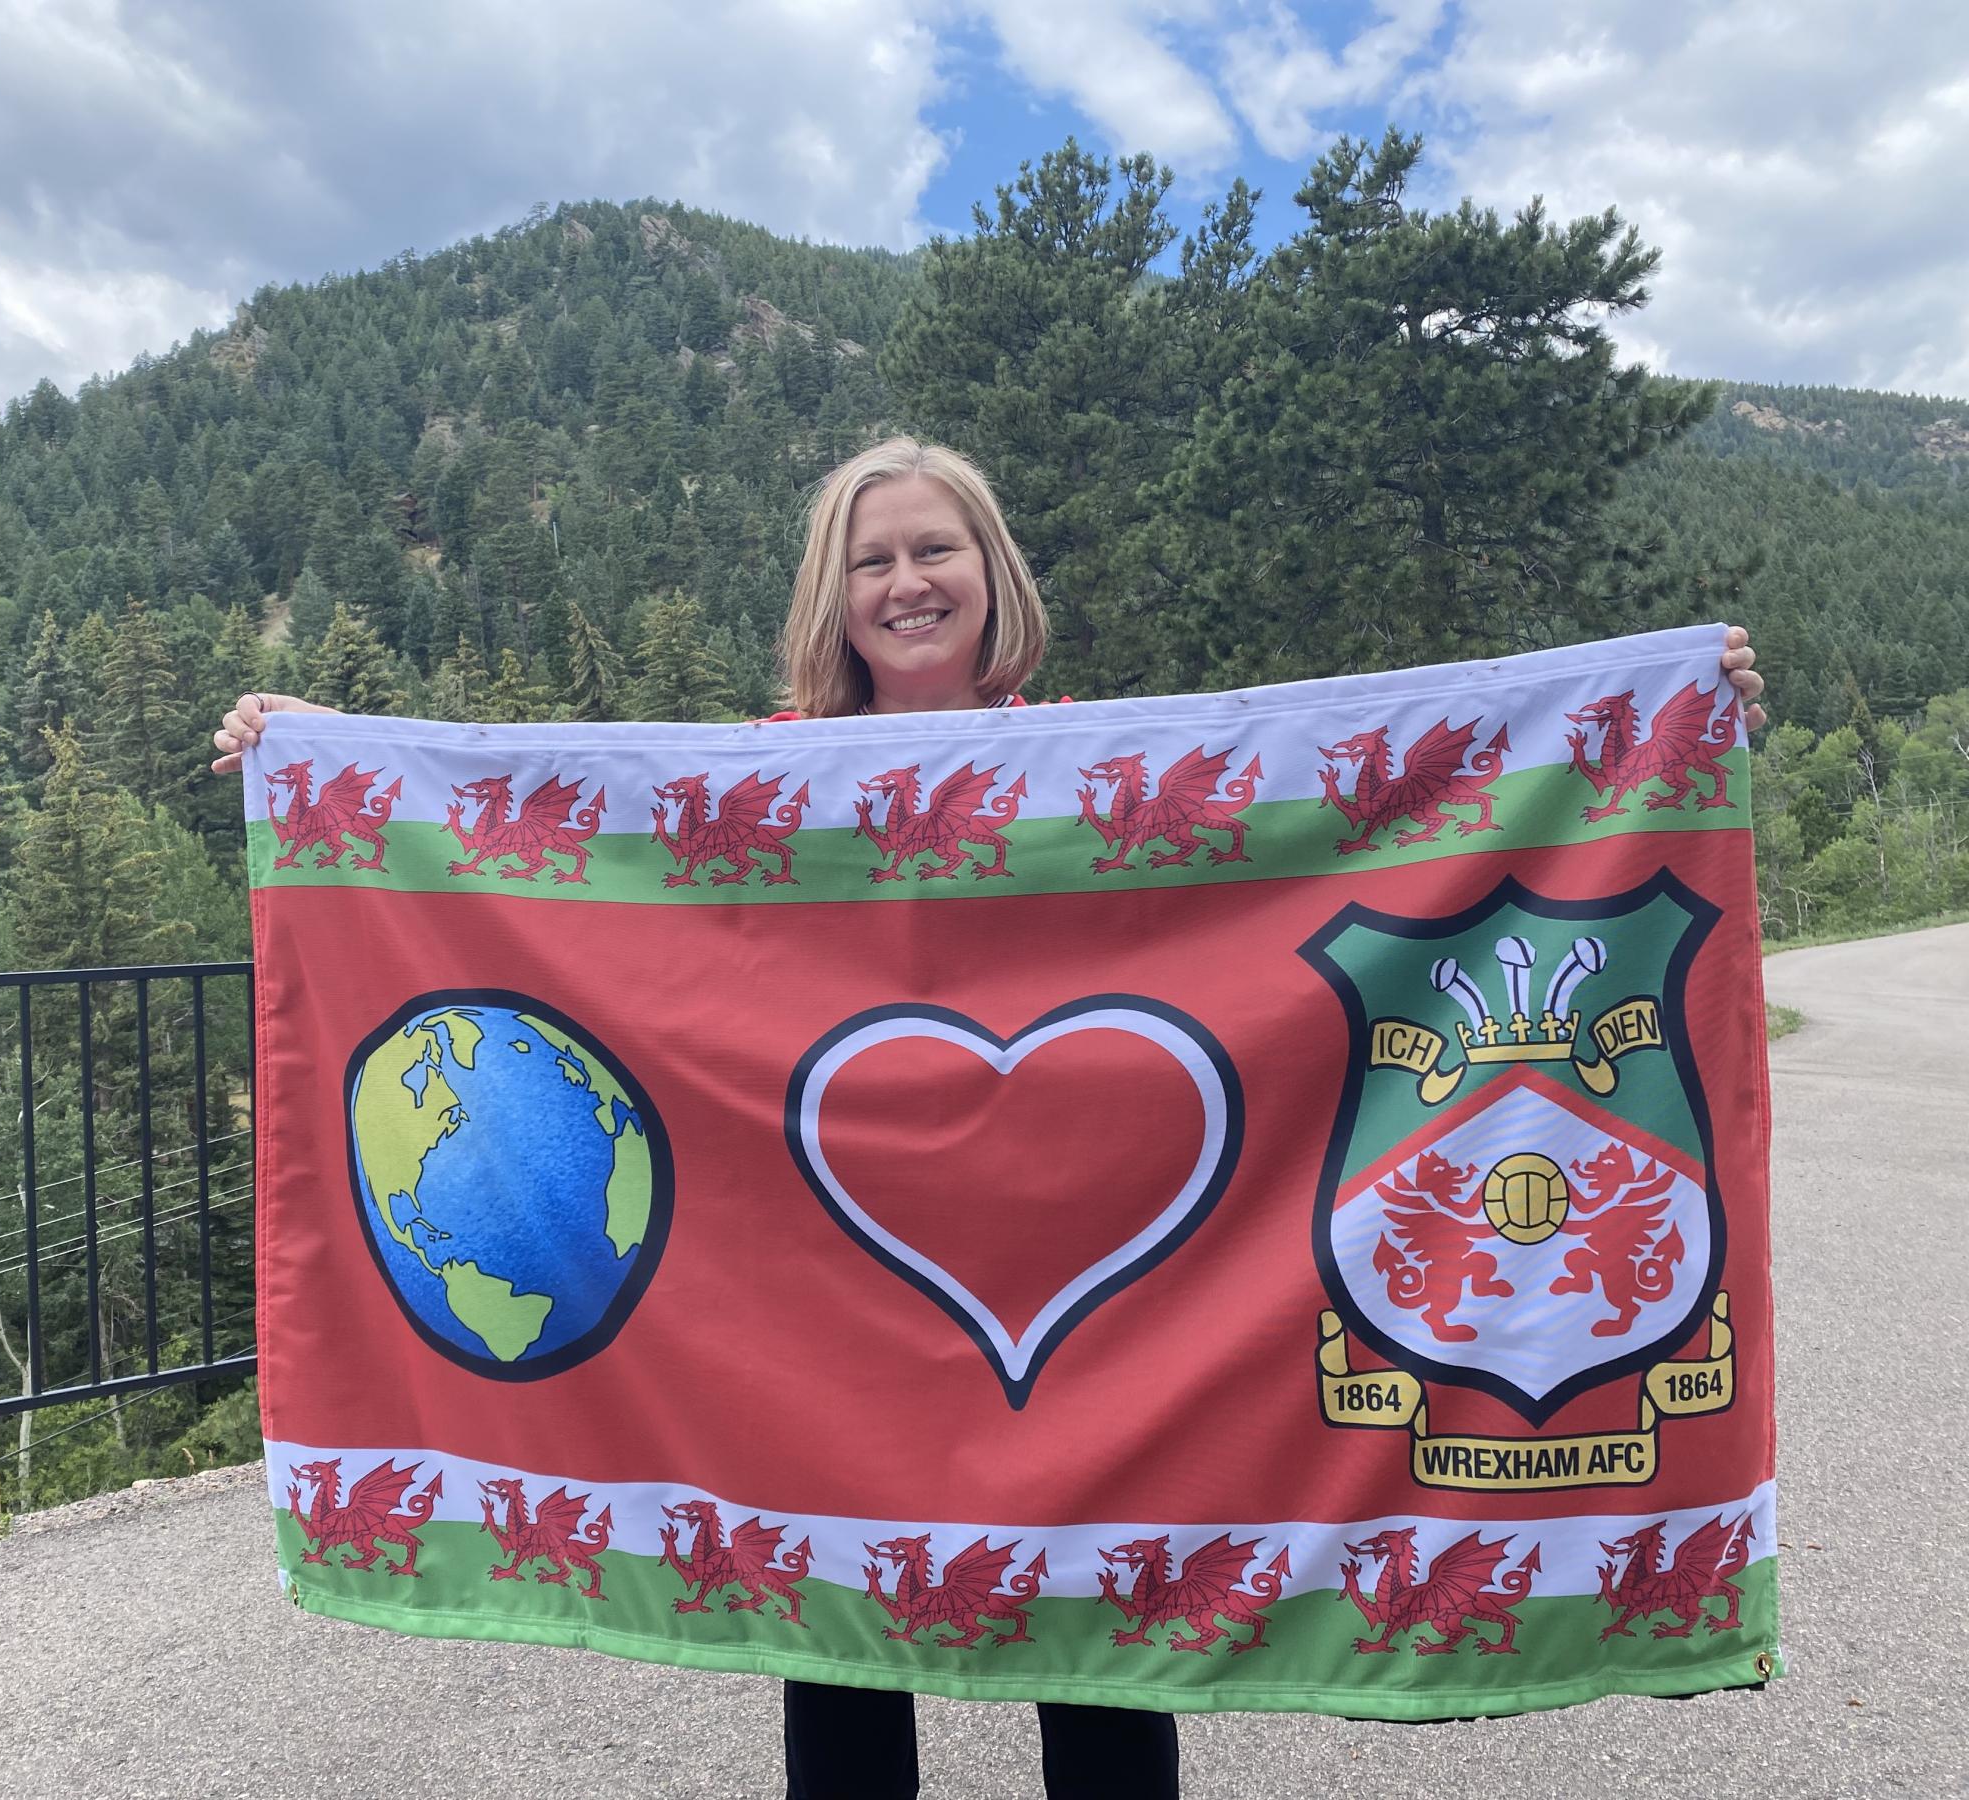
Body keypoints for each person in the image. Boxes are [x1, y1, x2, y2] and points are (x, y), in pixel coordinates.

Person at [212, 438, 1768, 1797]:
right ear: (835, 595)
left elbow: (1307, 860)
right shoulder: (753, 787)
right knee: (832, 1604)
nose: (906, 580)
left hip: (1080, 1262)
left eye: (934, 548)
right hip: (831, 1276)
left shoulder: (1106, 770)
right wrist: (303, 747)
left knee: (1098, 1610)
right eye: (872, 557)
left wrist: (1679, 711)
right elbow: (639, 939)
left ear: (990, 572)